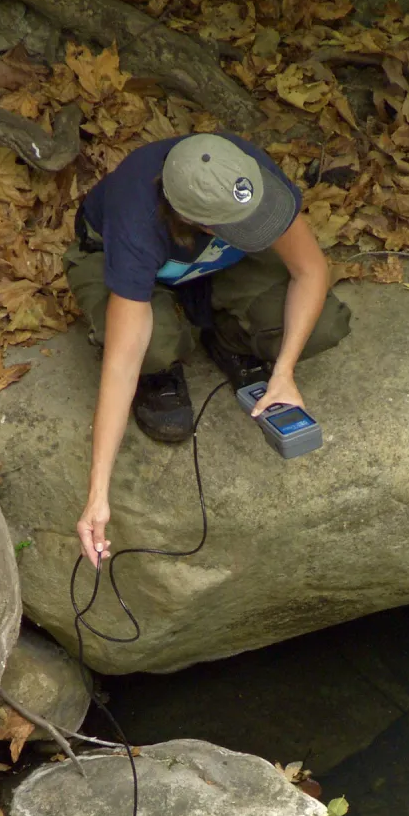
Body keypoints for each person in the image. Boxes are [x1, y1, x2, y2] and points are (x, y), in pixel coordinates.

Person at [65, 132, 352, 566]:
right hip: (134, 264)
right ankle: (163, 369)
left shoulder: (246, 175)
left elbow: (309, 269)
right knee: (149, 349)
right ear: (196, 220)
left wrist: (284, 372)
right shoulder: (135, 220)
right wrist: (97, 495)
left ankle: (227, 335)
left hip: (220, 261)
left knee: (322, 326)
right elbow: (122, 363)